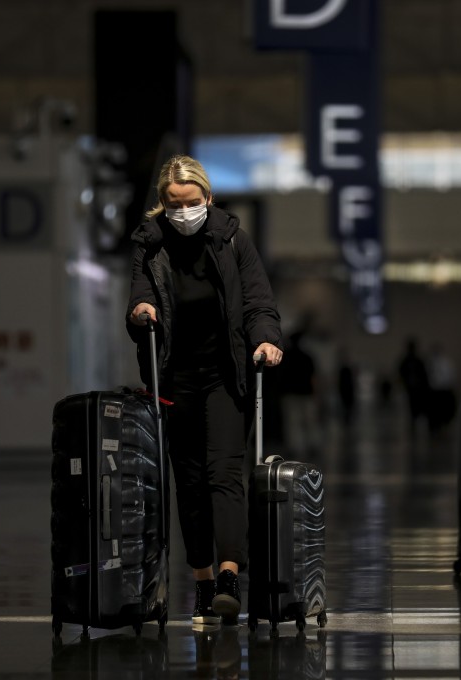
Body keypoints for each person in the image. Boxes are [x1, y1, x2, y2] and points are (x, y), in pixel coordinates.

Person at [126, 154, 283, 626]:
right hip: (175, 376)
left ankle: (231, 578)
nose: (184, 211)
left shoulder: (231, 238)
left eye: (192, 202)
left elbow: (258, 301)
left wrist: (267, 341)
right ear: (162, 204)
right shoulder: (149, 245)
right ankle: (203, 582)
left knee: (223, 474)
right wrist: (140, 312)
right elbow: (139, 296)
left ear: (207, 198)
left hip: (224, 373)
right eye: (174, 204)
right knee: (189, 483)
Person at [398, 339, 430, 436]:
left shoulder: (415, 360)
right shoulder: (408, 360)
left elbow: (424, 375)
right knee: (412, 407)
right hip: (412, 388)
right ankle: (413, 423)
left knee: (415, 407)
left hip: (417, 388)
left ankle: (415, 422)